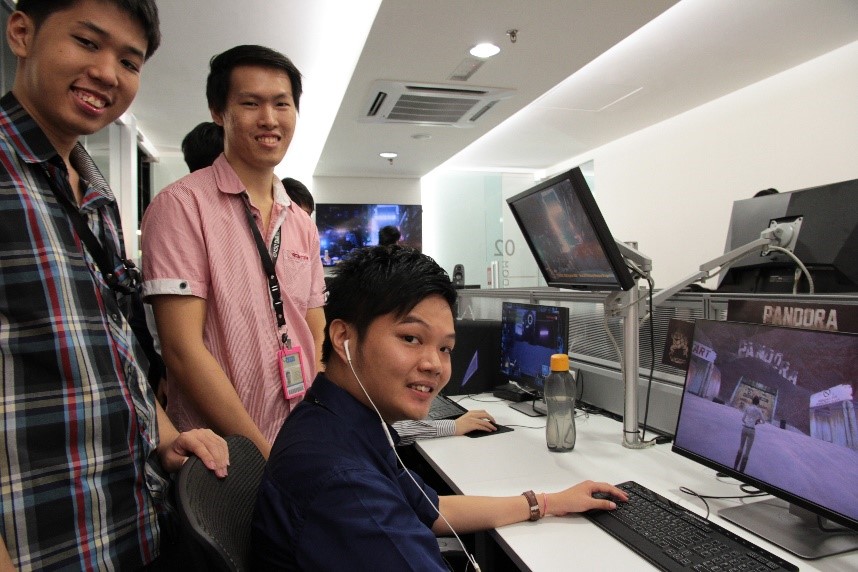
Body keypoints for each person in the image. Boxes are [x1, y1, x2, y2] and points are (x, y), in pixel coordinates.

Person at [0, 1, 230, 569]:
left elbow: (112, 349)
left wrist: (165, 435)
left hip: (129, 527)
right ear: (21, 32)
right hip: (42, 544)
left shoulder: (94, 192)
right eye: (86, 42)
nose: (107, 72)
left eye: (129, 61)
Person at [251, 245, 627, 570]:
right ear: (343, 337)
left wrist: (547, 502)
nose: (435, 365)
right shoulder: (344, 484)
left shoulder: (340, 421)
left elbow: (432, 510)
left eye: (445, 348)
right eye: (411, 338)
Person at [141, 45, 326, 458]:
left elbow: (315, 331)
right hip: (224, 459)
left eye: (282, 104)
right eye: (250, 103)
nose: (269, 119)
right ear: (218, 111)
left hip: (300, 441)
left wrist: (314, 428)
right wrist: (265, 457)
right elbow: (182, 351)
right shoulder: (181, 206)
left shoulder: (301, 222)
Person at [734, 395, 766, 472]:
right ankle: (741, 471)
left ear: (752, 401)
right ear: (758, 403)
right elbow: (763, 421)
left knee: (741, 448)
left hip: (745, 428)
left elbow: (743, 419)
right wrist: (757, 422)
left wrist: (747, 422)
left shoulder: (747, 408)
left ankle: (735, 467)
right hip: (752, 430)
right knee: (747, 452)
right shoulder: (758, 410)